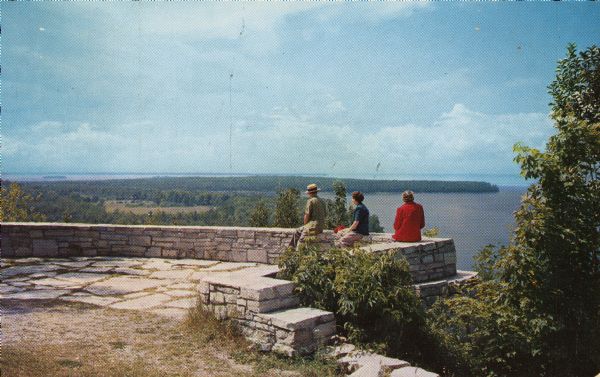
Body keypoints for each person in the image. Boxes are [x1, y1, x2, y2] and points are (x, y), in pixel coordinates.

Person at [289, 183, 327, 249]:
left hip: (312, 227)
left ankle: (291, 250)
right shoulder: (322, 201)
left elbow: (306, 215)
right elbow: (325, 214)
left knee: (297, 233)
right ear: (316, 192)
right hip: (321, 228)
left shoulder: (310, 201)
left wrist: (305, 226)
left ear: (309, 193)